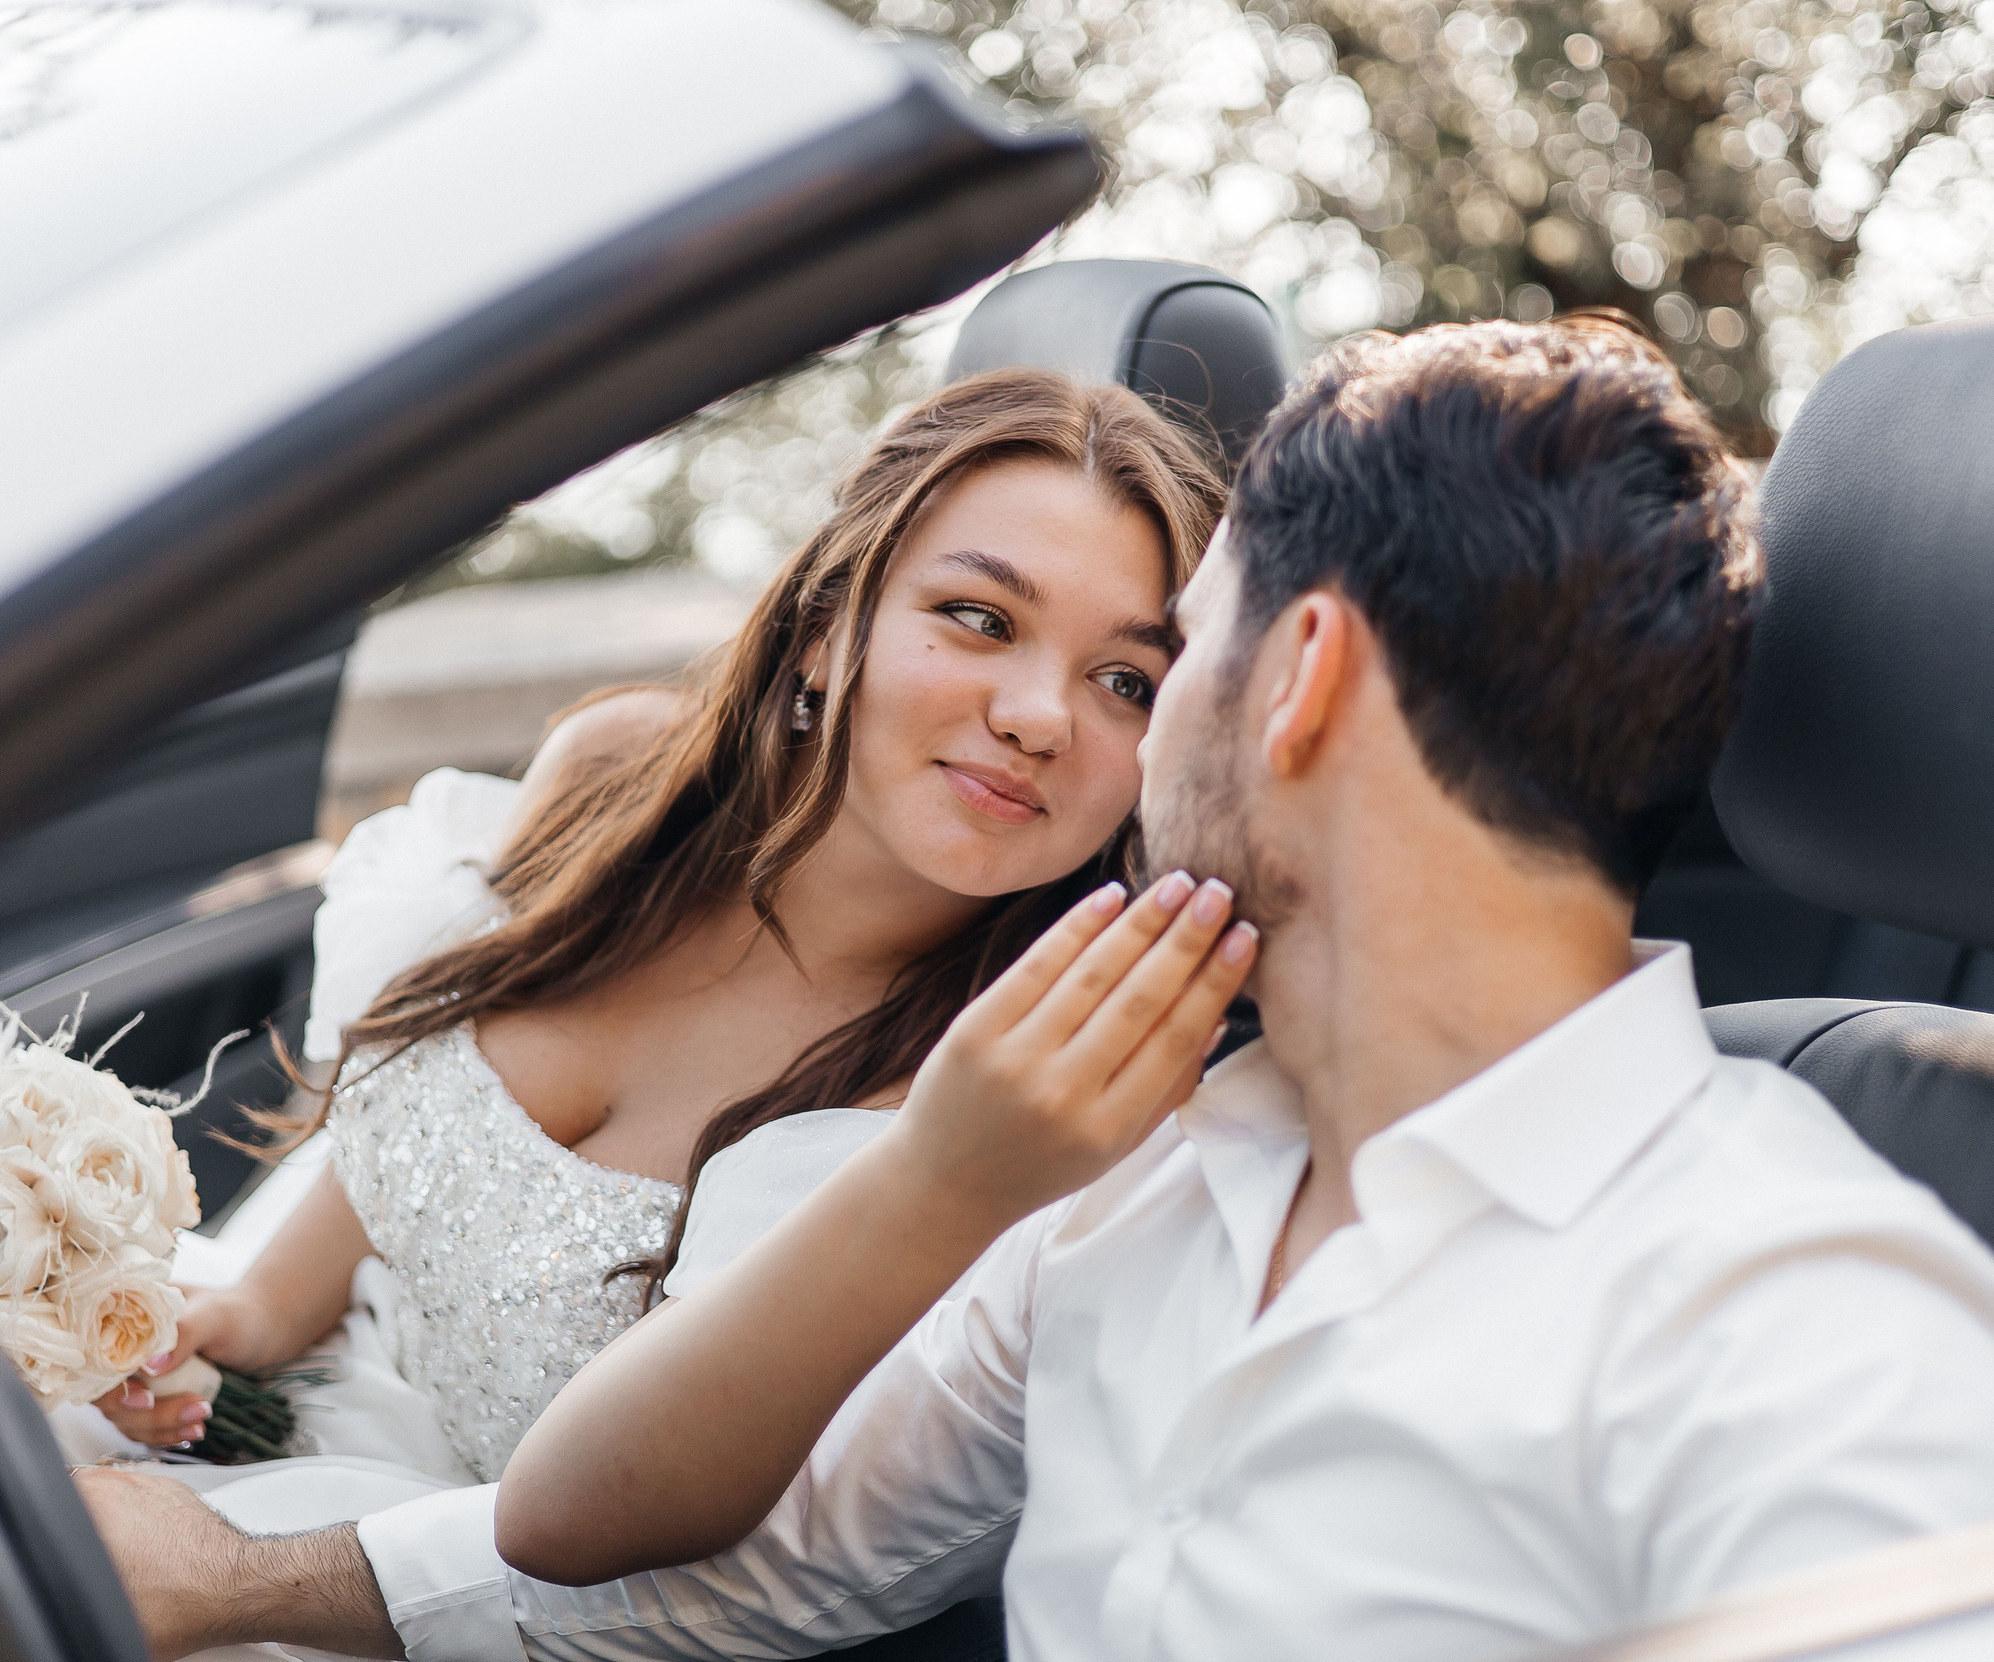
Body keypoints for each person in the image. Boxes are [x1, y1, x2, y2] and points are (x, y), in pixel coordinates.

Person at [80, 317, 1994, 1662]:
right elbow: (624, 1536)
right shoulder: (1147, 1188)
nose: (1075, 733)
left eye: (1160, 658)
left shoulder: (1814, 1346)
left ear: (1286, 681)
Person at [83, 363, 1224, 1488]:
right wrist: (259, 1311)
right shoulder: (611, 781)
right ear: (830, 626)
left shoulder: (1002, 1092)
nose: (1036, 718)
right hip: (297, 1416)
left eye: (1125, 682)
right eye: (979, 618)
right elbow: (424, 1097)